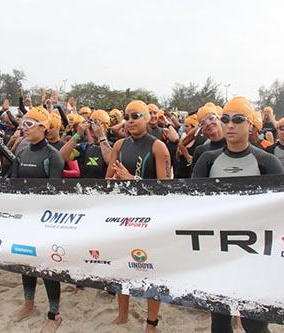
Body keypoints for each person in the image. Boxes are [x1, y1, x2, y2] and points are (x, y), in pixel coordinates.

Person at [192, 97, 284, 333]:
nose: (230, 125)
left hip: (253, 252)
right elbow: (190, 204)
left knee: (254, 323)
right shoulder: (208, 159)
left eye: (238, 119)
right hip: (217, 248)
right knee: (220, 320)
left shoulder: (267, 161)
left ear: (252, 125)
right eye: (226, 119)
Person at [105, 100, 171, 333]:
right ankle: (122, 314)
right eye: (127, 117)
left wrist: (133, 181)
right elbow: (107, 182)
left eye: (135, 116)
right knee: (121, 266)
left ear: (147, 119)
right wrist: (114, 181)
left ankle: (151, 322)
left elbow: (165, 191)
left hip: (149, 218)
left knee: (151, 270)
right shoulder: (119, 145)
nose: (130, 121)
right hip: (121, 215)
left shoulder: (158, 147)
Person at [10, 107, 64, 333]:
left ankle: (54, 313)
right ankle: (29, 304)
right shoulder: (22, 152)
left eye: (29, 124)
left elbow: (55, 192)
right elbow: (13, 182)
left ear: (43, 127)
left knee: (47, 265)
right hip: (25, 218)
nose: (24, 128)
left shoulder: (53, 155)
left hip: (46, 219)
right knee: (26, 262)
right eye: (22, 124)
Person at [60, 109, 112, 179]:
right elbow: (61, 157)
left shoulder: (114, 146)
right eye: (90, 128)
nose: (93, 131)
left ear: (106, 128)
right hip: (86, 189)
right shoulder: (84, 148)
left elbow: (112, 162)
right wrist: (78, 134)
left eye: (96, 127)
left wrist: (101, 137)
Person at [191, 103, 226, 168]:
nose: (208, 123)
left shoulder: (234, 145)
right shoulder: (200, 151)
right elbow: (194, 177)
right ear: (201, 129)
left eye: (211, 118)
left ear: (219, 119)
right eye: (203, 123)